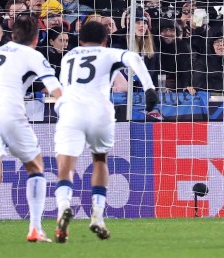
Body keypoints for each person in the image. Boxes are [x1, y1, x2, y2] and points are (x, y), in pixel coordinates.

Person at [53, 20, 157, 243]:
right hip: (99, 111)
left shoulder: (68, 56)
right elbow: (134, 58)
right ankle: (98, 216)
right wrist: (149, 89)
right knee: (100, 159)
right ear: (105, 39)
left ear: (79, 40)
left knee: (66, 163)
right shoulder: (109, 53)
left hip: (70, 110)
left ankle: (63, 208)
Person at [0, 13, 62, 242]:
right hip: (9, 112)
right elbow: (56, 90)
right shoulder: (33, 55)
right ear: (38, 37)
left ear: (11, 35)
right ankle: (35, 229)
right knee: (36, 167)